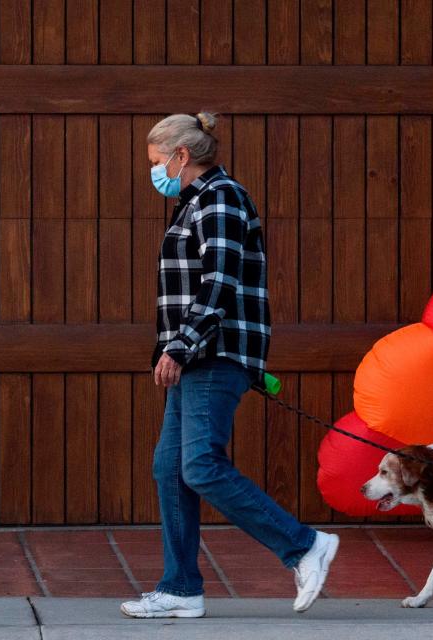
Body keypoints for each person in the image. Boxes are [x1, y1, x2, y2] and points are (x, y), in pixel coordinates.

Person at [121, 112, 338, 618]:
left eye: (157, 162)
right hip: (199, 353)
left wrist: (181, 345)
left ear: (181, 155)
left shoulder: (220, 198)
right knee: (170, 468)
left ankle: (304, 545)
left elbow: (219, 282)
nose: (154, 173)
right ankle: (180, 589)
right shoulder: (195, 201)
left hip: (215, 352)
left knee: (199, 465)